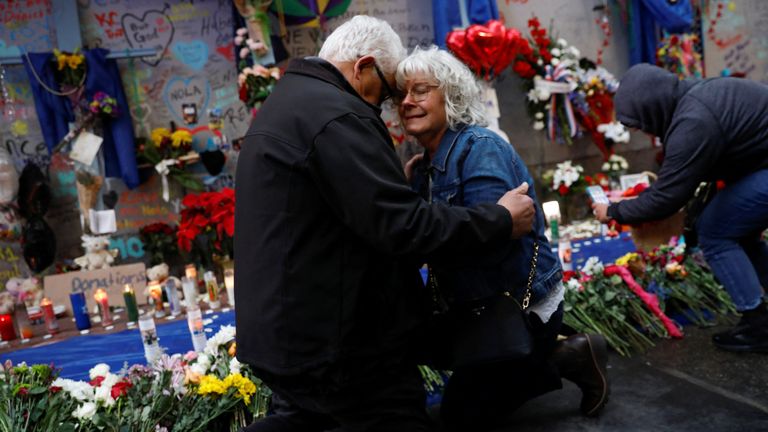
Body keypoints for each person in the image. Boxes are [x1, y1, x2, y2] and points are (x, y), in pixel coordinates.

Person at [234, 16, 538, 432]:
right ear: (363, 68)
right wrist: (500, 219)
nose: (389, 105)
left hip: (291, 333)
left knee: (303, 418)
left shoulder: (293, 102)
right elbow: (401, 228)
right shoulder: (338, 115)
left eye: (418, 91)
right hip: (336, 344)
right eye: (391, 91)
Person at [396, 46, 610, 431]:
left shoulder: (480, 149)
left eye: (420, 90)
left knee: (460, 417)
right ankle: (545, 359)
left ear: (451, 95)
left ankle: (569, 357)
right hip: (470, 306)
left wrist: (422, 223)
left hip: (513, 309)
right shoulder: (426, 163)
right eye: (402, 94)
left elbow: (491, 237)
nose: (407, 102)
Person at [592, 63, 768, 354]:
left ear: (652, 108)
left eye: (639, 123)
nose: (641, 129)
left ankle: (760, 326)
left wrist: (613, 212)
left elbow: (668, 198)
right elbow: (678, 182)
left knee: (715, 232)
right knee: (742, 232)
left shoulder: (693, 122)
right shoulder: (691, 99)